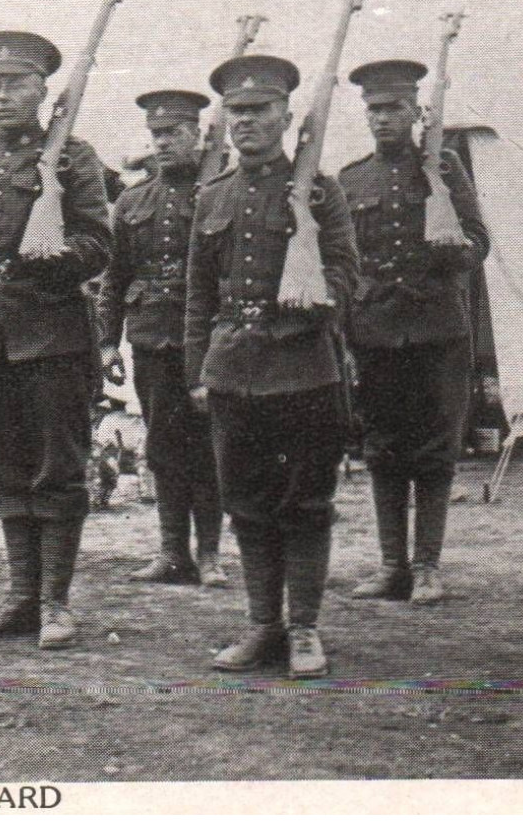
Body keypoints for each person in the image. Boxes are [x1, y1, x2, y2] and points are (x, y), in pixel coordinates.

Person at [185, 54, 359, 678]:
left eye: (259, 111)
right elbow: (199, 294)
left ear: (286, 116)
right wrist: (197, 373)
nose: (246, 122)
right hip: (234, 372)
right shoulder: (213, 196)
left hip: (305, 370)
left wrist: (313, 288)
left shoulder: (320, 191)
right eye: (236, 111)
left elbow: (347, 272)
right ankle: (263, 625)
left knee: (306, 503)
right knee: (248, 503)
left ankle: (305, 629)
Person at [0, 31, 113, 650]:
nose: (3, 94)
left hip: (52, 338)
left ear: (44, 90)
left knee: (58, 472)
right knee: (3, 470)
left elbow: (100, 245)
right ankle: (19, 598)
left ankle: (55, 604)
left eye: (16, 83)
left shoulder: (72, 158)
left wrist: (57, 255)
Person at [340, 59, 490, 605]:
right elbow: (342, 260)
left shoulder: (444, 168)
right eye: (374, 110)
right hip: (376, 334)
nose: (383, 119)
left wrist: (457, 251)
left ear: (414, 112)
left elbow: (478, 241)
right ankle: (390, 566)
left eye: (394, 109)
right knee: (383, 450)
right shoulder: (351, 180)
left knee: (433, 451)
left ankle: (427, 566)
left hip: (436, 332)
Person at [97, 89, 226, 587]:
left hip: (212, 341)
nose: (164, 142)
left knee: (208, 447)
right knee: (165, 447)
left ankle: (211, 554)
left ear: (198, 134)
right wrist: (108, 342)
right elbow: (114, 277)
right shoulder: (132, 200)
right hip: (152, 338)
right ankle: (173, 552)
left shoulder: (217, 191)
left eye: (174, 133)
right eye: (157, 134)